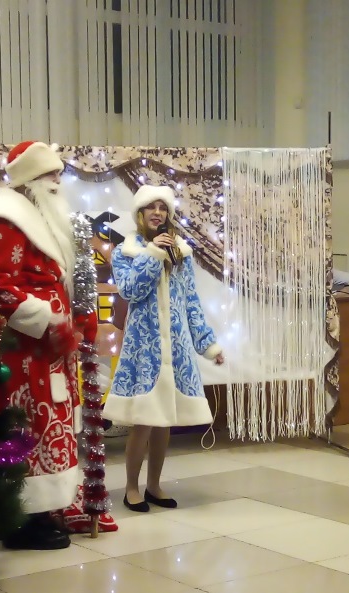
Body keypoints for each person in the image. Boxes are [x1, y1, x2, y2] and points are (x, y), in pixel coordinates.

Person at [0, 141, 101, 549]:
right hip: (24, 352)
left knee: (52, 428)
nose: (57, 183)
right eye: (51, 175)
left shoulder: (41, 221)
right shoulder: (4, 221)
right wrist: (48, 320)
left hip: (49, 352)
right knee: (30, 429)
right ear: (30, 179)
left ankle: (44, 509)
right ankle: (22, 518)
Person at [103, 184, 224, 512]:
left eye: (162, 208)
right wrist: (153, 254)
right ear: (140, 213)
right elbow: (129, 291)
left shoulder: (181, 252)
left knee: (164, 421)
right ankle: (131, 488)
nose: (157, 213)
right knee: (143, 420)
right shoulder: (126, 251)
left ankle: (154, 485)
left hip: (177, 348)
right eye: (151, 207)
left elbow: (191, 302)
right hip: (145, 348)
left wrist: (208, 344)